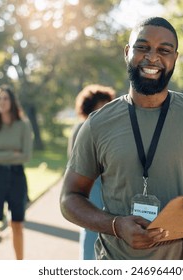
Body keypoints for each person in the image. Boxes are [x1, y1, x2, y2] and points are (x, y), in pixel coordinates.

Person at [60, 17, 183, 260]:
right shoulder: (97, 124)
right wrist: (116, 225)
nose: (152, 57)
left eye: (164, 50)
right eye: (142, 47)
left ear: (174, 58)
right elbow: (69, 198)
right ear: (127, 52)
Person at [0, 85, 33, 260]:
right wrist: (13, 153)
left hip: (17, 176)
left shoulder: (23, 125)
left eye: (5, 98)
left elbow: (26, 156)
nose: (2, 102)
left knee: (17, 224)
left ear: (12, 101)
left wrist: (0, 154)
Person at [68, 84, 116, 260]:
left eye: (107, 106)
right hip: (91, 187)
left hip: (112, 186)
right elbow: (73, 163)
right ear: (89, 108)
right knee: (91, 230)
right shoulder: (80, 129)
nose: (105, 111)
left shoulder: (114, 129)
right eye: (100, 107)